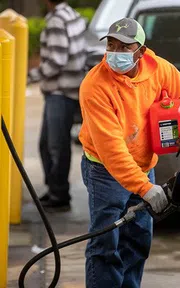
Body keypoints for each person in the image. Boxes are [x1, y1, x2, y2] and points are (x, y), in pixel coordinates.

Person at [78, 18, 180, 288]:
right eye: (111, 45)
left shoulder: (159, 68)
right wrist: (145, 188)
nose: (116, 53)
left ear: (141, 52)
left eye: (125, 47)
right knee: (105, 245)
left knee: (137, 240)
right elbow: (111, 149)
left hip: (143, 164)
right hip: (105, 171)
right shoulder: (95, 85)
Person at [28, 0, 87, 211]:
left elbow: (56, 61)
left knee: (55, 146)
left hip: (60, 92)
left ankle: (59, 194)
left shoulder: (56, 20)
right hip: (70, 89)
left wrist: (28, 76)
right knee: (50, 144)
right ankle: (55, 190)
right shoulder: (73, 15)